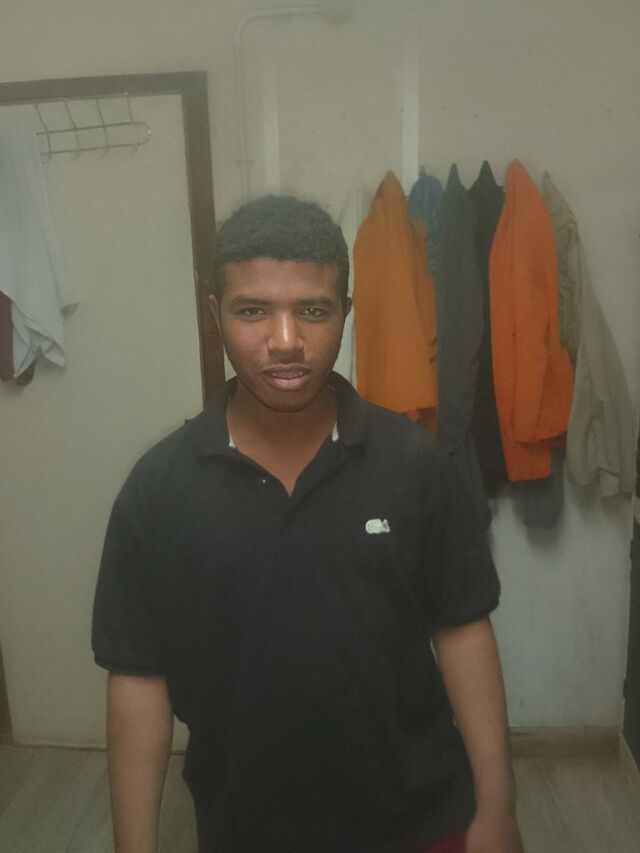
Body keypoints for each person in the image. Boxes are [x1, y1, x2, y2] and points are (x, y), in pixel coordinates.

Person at [92, 195, 524, 853]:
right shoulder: (159, 490)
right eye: (252, 310)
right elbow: (137, 675)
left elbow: (463, 628)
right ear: (214, 314)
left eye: (313, 310)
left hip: (422, 816)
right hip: (246, 827)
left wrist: (496, 809)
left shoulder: (412, 463)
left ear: (345, 312)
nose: (286, 340)